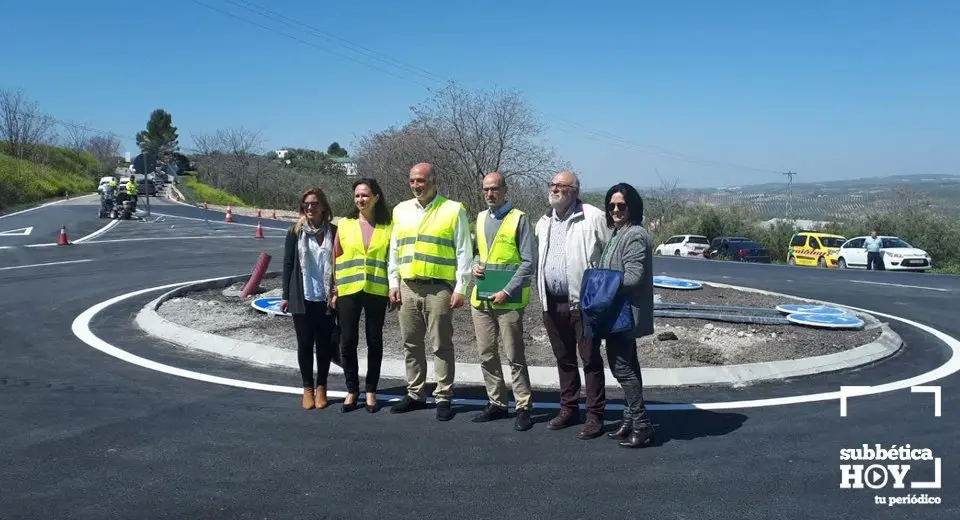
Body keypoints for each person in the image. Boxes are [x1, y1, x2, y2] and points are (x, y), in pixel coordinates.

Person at [387, 162, 473, 421]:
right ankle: (415, 393)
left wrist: (461, 287)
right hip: (408, 287)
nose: (416, 185)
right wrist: (393, 283)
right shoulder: (400, 210)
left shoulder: (453, 209)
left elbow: (463, 251)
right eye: (413, 180)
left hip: (439, 290)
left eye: (421, 180)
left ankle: (444, 395)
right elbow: (394, 250)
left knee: (441, 345)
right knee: (411, 344)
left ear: (433, 181)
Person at [535, 171, 612, 439]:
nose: (554, 189)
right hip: (552, 302)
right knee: (564, 359)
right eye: (552, 185)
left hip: (584, 303)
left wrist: (604, 292)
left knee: (590, 359)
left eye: (561, 186)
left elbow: (611, 252)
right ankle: (569, 409)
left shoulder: (592, 217)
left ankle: (594, 415)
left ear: (575, 191)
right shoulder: (543, 222)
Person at [469, 172, 536, 431]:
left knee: (514, 355)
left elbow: (528, 261)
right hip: (483, 299)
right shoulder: (480, 217)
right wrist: (475, 265)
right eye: (485, 189)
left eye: (494, 189)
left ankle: (523, 406)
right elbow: (478, 253)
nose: (489, 194)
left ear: (505, 190)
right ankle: (496, 403)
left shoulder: (519, 219)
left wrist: (507, 291)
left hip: (508, 301)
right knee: (486, 354)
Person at [593, 182, 656, 448]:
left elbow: (633, 277)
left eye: (622, 205)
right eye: (611, 206)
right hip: (619, 313)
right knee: (631, 366)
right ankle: (631, 419)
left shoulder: (634, 235)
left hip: (623, 315)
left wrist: (600, 285)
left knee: (622, 369)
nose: (616, 210)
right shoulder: (619, 232)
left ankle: (641, 424)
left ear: (633, 207)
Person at [332, 178, 392, 414]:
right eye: (357, 195)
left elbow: (392, 260)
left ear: (376, 197)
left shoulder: (388, 226)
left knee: (374, 342)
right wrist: (335, 289)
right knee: (348, 341)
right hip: (349, 291)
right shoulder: (344, 224)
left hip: (377, 291)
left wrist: (393, 289)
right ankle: (352, 389)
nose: (360, 200)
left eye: (365, 195)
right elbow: (335, 258)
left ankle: (371, 390)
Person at [280, 188, 339, 410]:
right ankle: (307, 388)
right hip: (301, 296)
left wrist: (337, 291)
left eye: (314, 203)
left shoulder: (334, 232)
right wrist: (285, 295)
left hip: (325, 297)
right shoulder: (294, 232)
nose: (310, 207)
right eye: (306, 204)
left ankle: (322, 386)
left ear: (323, 206)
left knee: (323, 345)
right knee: (305, 344)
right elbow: (287, 264)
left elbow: (339, 265)